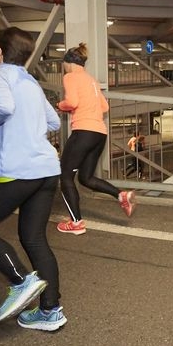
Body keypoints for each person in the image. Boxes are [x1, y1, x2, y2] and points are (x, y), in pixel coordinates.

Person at [0, 27, 66, 331]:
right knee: (34, 239)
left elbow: (4, 107)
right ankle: (50, 312)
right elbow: (54, 122)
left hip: (17, 171)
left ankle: (21, 281)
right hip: (47, 169)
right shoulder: (31, 81)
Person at [55, 42, 135, 236]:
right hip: (100, 133)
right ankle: (120, 195)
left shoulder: (70, 77)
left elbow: (72, 102)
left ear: (68, 63)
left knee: (65, 177)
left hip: (83, 132)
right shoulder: (91, 80)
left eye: (64, 64)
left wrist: (60, 105)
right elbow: (105, 107)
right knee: (86, 178)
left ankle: (76, 223)